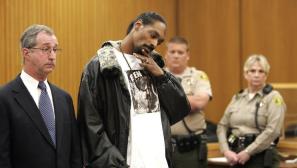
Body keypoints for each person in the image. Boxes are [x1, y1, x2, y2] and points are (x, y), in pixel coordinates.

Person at [77, 12, 190, 168]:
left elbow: (180, 109)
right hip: (123, 163)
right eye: (153, 35)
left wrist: (162, 76)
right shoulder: (100, 66)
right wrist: (113, 162)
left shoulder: (155, 65)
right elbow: (90, 124)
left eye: (159, 40)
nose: (154, 43)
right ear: (138, 26)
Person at [0, 24, 82, 168]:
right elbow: (2, 156)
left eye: (55, 49)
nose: (52, 56)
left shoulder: (64, 98)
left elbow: (74, 154)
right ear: (26, 53)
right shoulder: (4, 98)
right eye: (45, 49)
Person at [217, 54, 286, 168]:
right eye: (252, 71)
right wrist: (225, 151)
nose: (256, 75)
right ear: (245, 74)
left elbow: (273, 130)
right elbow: (222, 125)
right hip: (236, 155)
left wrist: (248, 151)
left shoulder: (273, 97)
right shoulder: (238, 97)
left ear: (266, 75)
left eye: (261, 71)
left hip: (261, 157)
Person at [165, 36, 213, 168]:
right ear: (166, 54)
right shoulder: (158, 75)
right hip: (163, 145)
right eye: (172, 52)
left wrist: (165, 100)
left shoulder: (198, 76)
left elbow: (198, 103)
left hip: (190, 149)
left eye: (180, 52)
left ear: (187, 55)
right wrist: (186, 99)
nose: (176, 56)